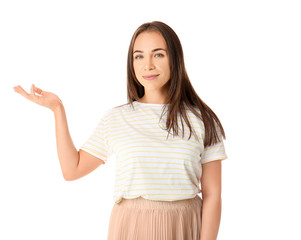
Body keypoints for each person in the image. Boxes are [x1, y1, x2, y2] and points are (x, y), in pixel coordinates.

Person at [13, 21, 228, 240]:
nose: (148, 65)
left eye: (158, 55)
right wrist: (57, 110)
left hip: (184, 224)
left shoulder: (202, 120)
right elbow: (72, 169)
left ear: (175, 58)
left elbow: (213, 195)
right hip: (130, 224)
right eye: (139, 56)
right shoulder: (117, 118)